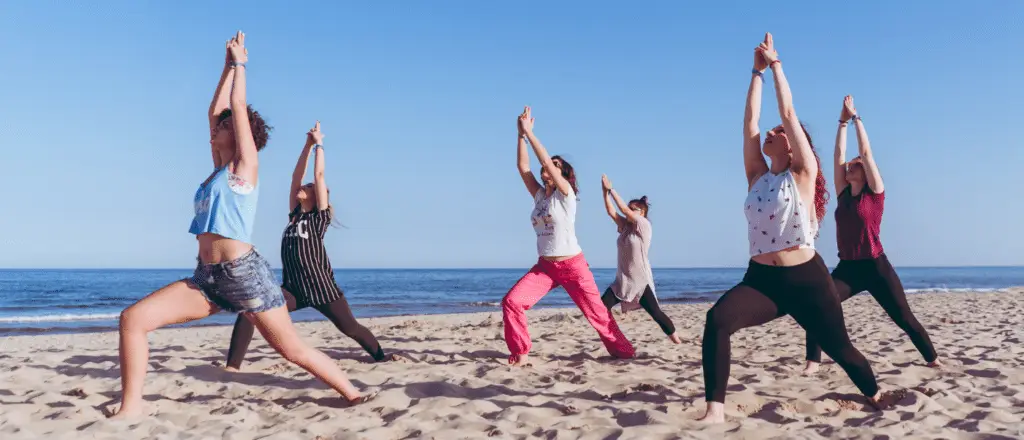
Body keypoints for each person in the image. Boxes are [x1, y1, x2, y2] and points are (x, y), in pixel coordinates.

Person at [113, 32, 369, 418]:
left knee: (292, 350)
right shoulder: (218, 170)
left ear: (240, 132)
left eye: (224, 127)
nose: (215, 130)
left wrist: (240, 65)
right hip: (207, 278)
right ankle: (130, 410)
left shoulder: (244, 169)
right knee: (132, 321)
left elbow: (235, 105)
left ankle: (352, 393)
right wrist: (224, 66)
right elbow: (216, 110)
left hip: (245, 275)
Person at [698, 33, 886, 423]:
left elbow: (787, 111)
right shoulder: (757, 177)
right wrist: (755, 72)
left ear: (794, 144)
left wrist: (777, 65)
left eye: (778, 132)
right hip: (761, 280)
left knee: (842, 350)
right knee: (717, 320)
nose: (769, 132)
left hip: (806, 280)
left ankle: (876, 393)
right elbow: (750, 122)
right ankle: (715, 410)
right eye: (771, 132)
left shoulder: (803, 173)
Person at [223, 121, 391, 371]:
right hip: (293, 290)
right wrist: (307, 144)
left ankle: (381, 357)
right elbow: (295, 176)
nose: (303, 187)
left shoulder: (318, 219)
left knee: (350, 328)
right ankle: (232, 367)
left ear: (316, 196)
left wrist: (320, 144)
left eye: (309, 188)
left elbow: (319, 176)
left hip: (322, 288)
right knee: (251, 309)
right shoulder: (294, 216)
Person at [801, 96, 941, 374]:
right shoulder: (843, 194)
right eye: (849, 166)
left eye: (854, 166)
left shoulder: (875, 194)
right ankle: (812, 362)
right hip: (848, 268)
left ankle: (933, 359)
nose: (848, 167)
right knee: (818, 304)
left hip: (876, 266)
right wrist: (841, 122)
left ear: (864, 172)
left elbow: (865, 151)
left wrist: (856, 119)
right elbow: (837, 156)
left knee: (904, 318)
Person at [502, 106, 636, 366]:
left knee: (597, 315)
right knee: (512, 302)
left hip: (573, 266)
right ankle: (520, 353)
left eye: (555, 165)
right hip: (546, 268)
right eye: (548, 163)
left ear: (563, 174)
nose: (548, 166)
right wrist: (520, 135)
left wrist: (531, 135)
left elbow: (545, 166)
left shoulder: (566, 195)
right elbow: (523, 166)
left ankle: (625, 353)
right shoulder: (540, 196)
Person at [599, 175, 681, 344]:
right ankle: (614, 339)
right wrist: (604, 192)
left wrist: (612, 189)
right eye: (629, 208)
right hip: (622, 280)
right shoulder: (625, 228)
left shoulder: (644, 226)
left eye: (633, 209)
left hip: (639, 281)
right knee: (600, 308)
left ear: (642, 213)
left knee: (656, 313)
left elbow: (623, 210)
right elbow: (611, 211)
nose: (629, 211)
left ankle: (677, 340)